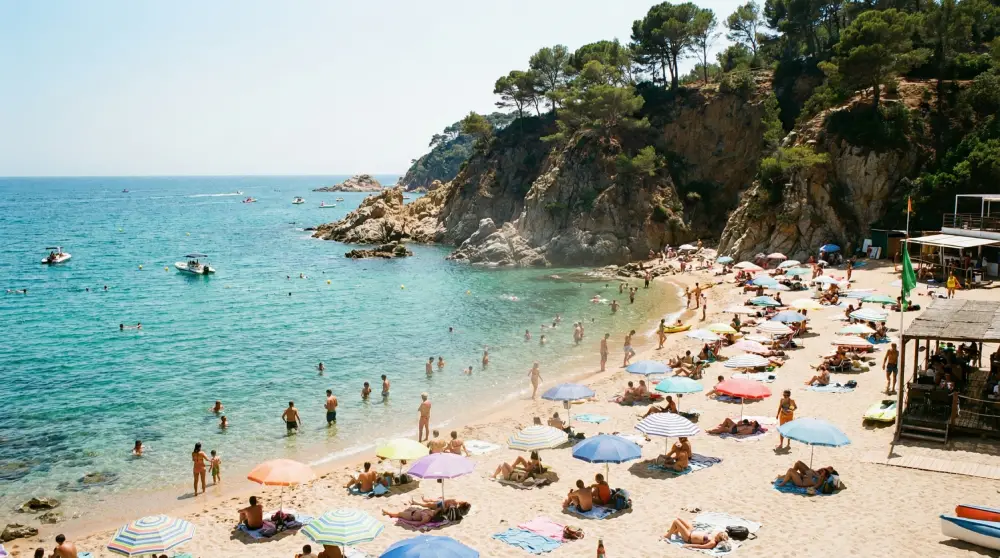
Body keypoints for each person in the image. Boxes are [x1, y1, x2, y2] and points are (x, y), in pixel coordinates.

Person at [664, 518, 730, 551]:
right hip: (692, 531)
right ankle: (675, 532)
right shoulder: (715, 537)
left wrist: (689, 545)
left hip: (688, 537)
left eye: (717, 535)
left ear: (718, 539)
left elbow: (701, 547)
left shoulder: (712, 543)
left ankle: (668, 535)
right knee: (679, 519)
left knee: (676, 521)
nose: (716, 535)